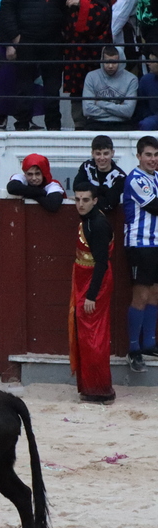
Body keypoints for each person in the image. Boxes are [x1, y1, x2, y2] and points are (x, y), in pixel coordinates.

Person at [0, 0, 69, 131]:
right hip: (26, 39)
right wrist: (15, 37)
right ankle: (22, 125)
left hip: (53, 41)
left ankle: (54, 126)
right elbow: (6, 9)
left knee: (53, 86)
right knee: (24, 86)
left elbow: (66, 7)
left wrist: (63, 32)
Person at [69, 178, 116, 403]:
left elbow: (101, 263)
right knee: (89, 333)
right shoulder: (90, 219)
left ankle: (100, 390)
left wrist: (91, 295)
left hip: (93, 283)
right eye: (77, 199)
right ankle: (92, 387)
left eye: (86, 200)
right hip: (86, 279)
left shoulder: (96, 224)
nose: (81, 204)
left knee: (92, 335)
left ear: (95, 201)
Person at [122, 136, 158, 373]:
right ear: (138, 156)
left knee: (155, 293)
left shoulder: (156, 177)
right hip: (140, 244)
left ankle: (149, 343)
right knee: (141, 295)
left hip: (156, 243)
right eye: (148, 155)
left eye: (156, 155)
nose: (153, 159)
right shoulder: (135, 179)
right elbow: (154, 206)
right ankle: (133, 350)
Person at [63, 0, 110, 130]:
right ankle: (79, 122)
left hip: (92, 52)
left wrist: (81, 3)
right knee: (76, 89)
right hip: (74, 52)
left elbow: (101, 16)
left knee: (95, 86)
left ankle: (96, 121)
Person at [81, 47, 138, 131]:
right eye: (107, 62)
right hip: (96, 123)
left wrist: (99, 103)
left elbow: (128, 111)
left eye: (114, 62)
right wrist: (119, 110)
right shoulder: (91, 77)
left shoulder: (131, 79)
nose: (110, 66)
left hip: (122, 124)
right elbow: (87, 110)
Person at [75, 135, 124, 215]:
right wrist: (104, 190)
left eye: (106, 153)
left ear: (112, 153)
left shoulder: (120, 177)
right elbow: (77, 187)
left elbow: (109, 204)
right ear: (92, 154)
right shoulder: (86, 167)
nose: (102, 158)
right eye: (98, 154)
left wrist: (90, 192)